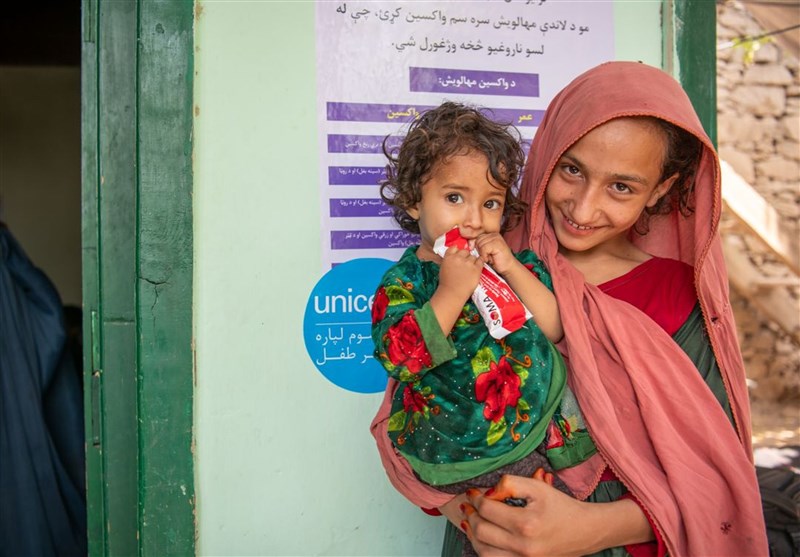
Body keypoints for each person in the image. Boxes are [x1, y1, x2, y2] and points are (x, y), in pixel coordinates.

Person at [370, 62, 769, 556]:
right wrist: (470, 512)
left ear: (660, 190)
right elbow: (404, 414)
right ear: (547, 154)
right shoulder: (476, 263)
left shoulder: (672, 298)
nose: (582, 209)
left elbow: (718, 484)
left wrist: (592, 528)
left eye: (621, 187)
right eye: (572, 170)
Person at [370, 102, 571, 555]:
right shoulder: (404, 284)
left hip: (537, 430)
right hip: (460, 451)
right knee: (500, 535)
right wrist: (450, 292)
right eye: (454, 198)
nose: (474, 219)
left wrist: (509, 268)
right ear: (413, 200)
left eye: (491, 203)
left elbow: (556, 327)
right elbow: (401, 357)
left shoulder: (507, 264)